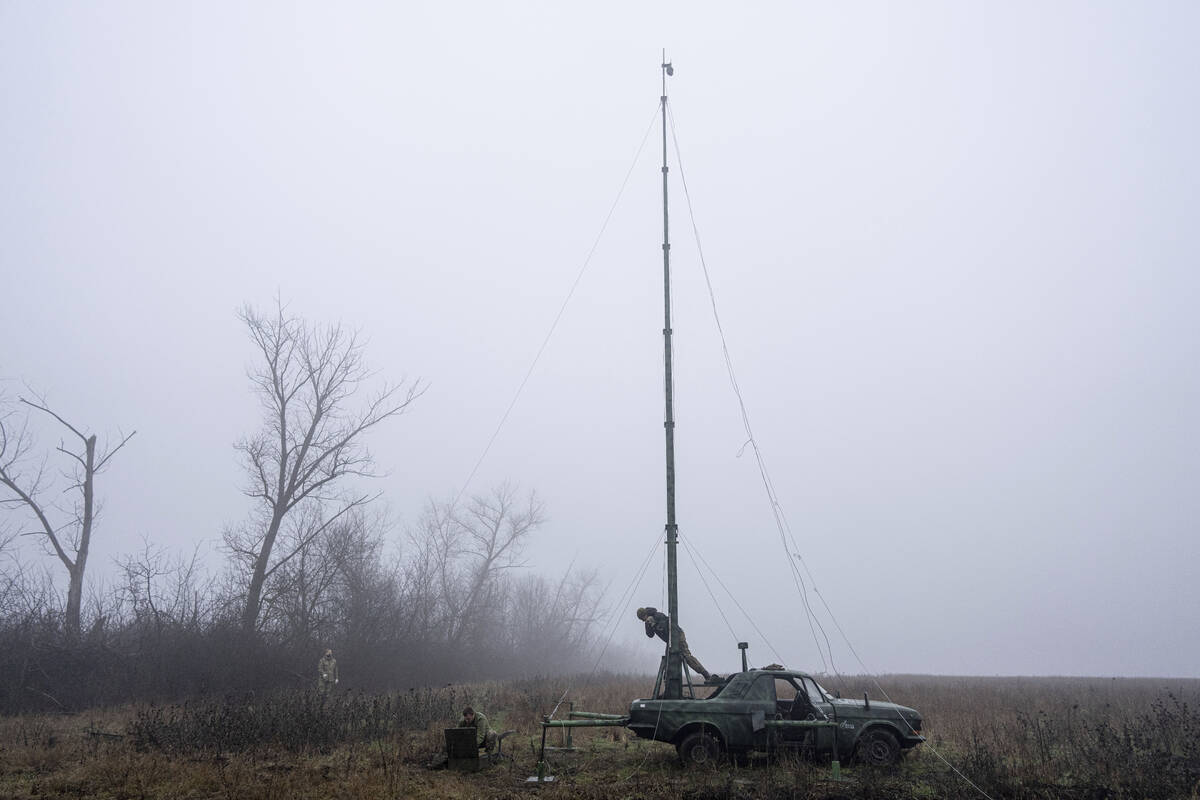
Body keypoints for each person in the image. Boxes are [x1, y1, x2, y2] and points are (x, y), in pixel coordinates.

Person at [636, 606, 712, 680]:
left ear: (645, 614)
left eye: (643, 618)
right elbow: (650, 635)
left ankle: (706, 674)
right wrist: (649, 625)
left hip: (677, 636)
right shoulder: (648, 621)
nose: (643, 620)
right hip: (670, 641)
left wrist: (655, 624)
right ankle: (668, 685)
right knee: (668, 659)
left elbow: (666, 629)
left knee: (687, 656)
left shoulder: (658, 615)